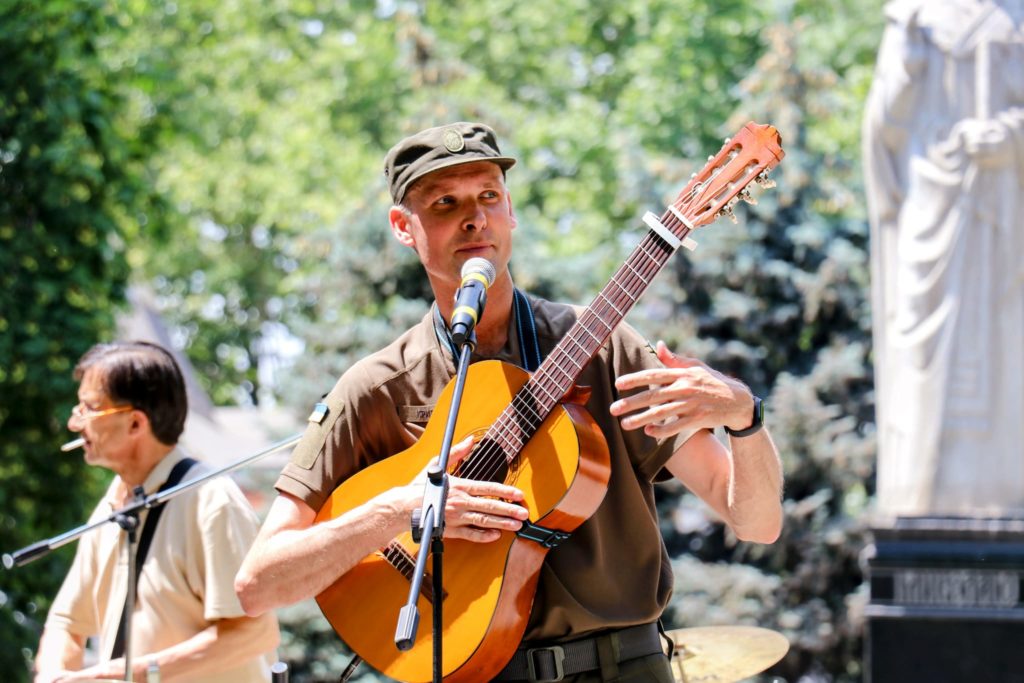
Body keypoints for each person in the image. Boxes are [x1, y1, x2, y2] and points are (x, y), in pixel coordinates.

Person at [235, 122, 783, 682]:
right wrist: (402, 510)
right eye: (446, 203)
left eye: (488, 196)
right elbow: (259, 584)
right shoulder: (377, 389)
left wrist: (745, 417)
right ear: (404, 227)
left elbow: (755, 521)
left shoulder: (604, 347)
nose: (475, 218)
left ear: (511, 210)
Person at [34, 341, 279, 682]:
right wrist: (52, 676)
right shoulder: (111, 504)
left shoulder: (212, 501)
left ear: (135, 424)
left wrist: (138, 672)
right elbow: (67, 623)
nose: (75, 424)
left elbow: (255, 634)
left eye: (89, 408)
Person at [863, 0, 1024, 516]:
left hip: (1002, 215)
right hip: (927, 201)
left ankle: (997, 494)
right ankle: (919, 490)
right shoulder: (912, 15)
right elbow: (883, 127)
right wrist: (907, 67)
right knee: (918, 341)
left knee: (1003, 341)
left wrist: (1012, 137)